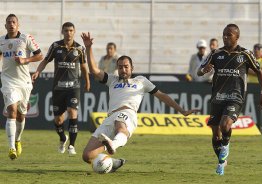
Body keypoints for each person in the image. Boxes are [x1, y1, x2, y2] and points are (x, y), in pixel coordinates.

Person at [80, 32, 199, 172]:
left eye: (126, 66)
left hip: (127, 113)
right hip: (110, 117)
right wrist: (88, 48)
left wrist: (182, 110)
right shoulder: (112, 80)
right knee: (87, 156)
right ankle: (114, 162)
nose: (123, 69)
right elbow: (94, 70)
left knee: (120, 127)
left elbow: (162, 95)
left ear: (132, 68)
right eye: (120, 67)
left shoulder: (141, 81)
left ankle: (112, 144)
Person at [197, 24, 262, 175]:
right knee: (215, 134)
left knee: (225, 124)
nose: (225, 37)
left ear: (237, 37)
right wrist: (204, 70)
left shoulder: (245, 54)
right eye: (224, 34)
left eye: (229, 34)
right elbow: (199, 71)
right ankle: (222, 162)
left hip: (236, 97)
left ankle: (226, 144)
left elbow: (259, 72)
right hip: (217, 98)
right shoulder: (216, 53)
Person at [32, 22, 90, 155]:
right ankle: (63, 138)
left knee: (72, 111)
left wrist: (87, 82)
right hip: (58, 88)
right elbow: (45, 60)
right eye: (66, 31)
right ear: (62, 32)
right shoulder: (55, 46)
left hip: (73, 87)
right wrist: (37, 72)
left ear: (74, 32)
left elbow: (84, 67)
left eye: (70, 30)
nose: (68, 33)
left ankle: (72, 146)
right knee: (58, 120)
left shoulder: (80, 48)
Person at [0, 14, 43, 160]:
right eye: (8, 22)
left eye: (14, 22)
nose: (11, 24)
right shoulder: (1, 41)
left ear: (18, 25)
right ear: (5, 26)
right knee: (11, 110)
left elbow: (40, 56)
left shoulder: (26, 38)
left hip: (24, 81)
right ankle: (11, 147)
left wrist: (26, 59)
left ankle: (18, 140)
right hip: (8, 80)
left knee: (21, 114)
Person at [248, 43, 262, 133]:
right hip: (251, 85)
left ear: (261, 51)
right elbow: (247, 69)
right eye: (255, 50)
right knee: (250, 106)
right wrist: (259, 72)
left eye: (258, 50)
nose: (257, 52)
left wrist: (254, 71)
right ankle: (250, 125)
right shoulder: (250, 59)